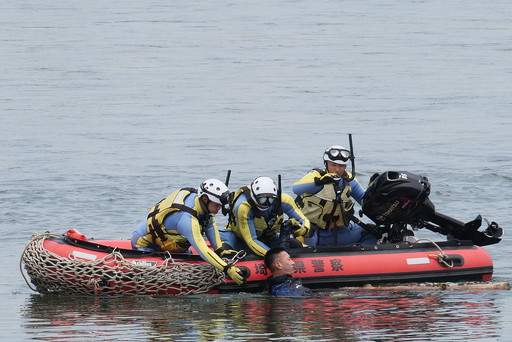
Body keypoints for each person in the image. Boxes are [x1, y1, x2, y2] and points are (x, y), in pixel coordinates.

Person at [131, 179, 246, 285]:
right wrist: (227, 269)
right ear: (205, 199)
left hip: (172, 246)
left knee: (189, 257)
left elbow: (210, 225)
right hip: (146, 245)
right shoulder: (187, 219)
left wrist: (220, 250)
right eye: (217, 205)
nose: (219, 208)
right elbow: (203, 250)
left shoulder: (201, 205)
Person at [293, 145, 378, 247]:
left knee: (371, 232)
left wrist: (376, 191)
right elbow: (296, 189)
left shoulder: (350, 181)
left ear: (346, 166)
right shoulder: (316, 176)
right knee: (308, 241)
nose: (337, 169)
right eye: (333, 165)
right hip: (314, 231)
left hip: (338, 232)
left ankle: (357, 256)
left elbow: (365, 202)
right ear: (326, 163)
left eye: (341, 166)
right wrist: (319, 182)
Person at [220, 176, 310, 257]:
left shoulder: (284, 200)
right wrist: (275, 257)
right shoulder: (243, 207)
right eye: (262, 200)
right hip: (238, 238)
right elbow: (251, 240)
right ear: (254, 197)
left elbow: (303, 219)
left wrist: (304, 229)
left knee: (296, 244)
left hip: (268, 238)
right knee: (225, 251)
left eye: (270, 200)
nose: (266, 204)